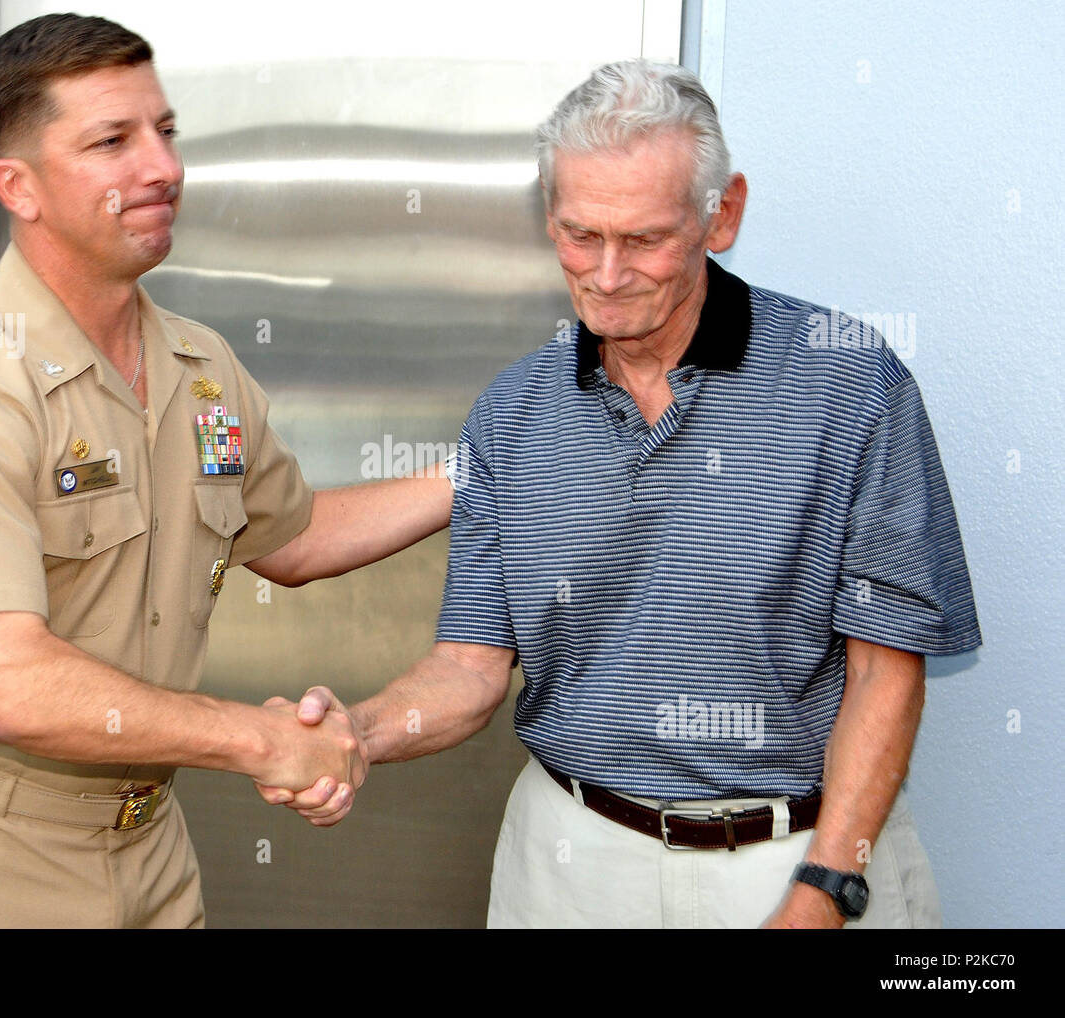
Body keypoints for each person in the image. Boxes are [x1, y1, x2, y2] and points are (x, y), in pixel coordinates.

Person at [261, 59, 981, 929]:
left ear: (725, 214)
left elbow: (886, 670)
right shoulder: (513, 410)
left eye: (644, 239)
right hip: (569, 865)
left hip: (795, 856)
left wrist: (828, 887)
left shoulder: (852, 384)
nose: (605, 275)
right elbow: (469, 666)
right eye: (579, 234)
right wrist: (359, 733)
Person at [0, 13, 448, 929]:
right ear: (17, 186)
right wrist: (259, 740)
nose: (161, 168)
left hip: (151, 847)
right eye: (112, 141)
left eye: (164, 131)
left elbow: (294, 533)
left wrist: (482, 473)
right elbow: (4, 683)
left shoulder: (202, 368)